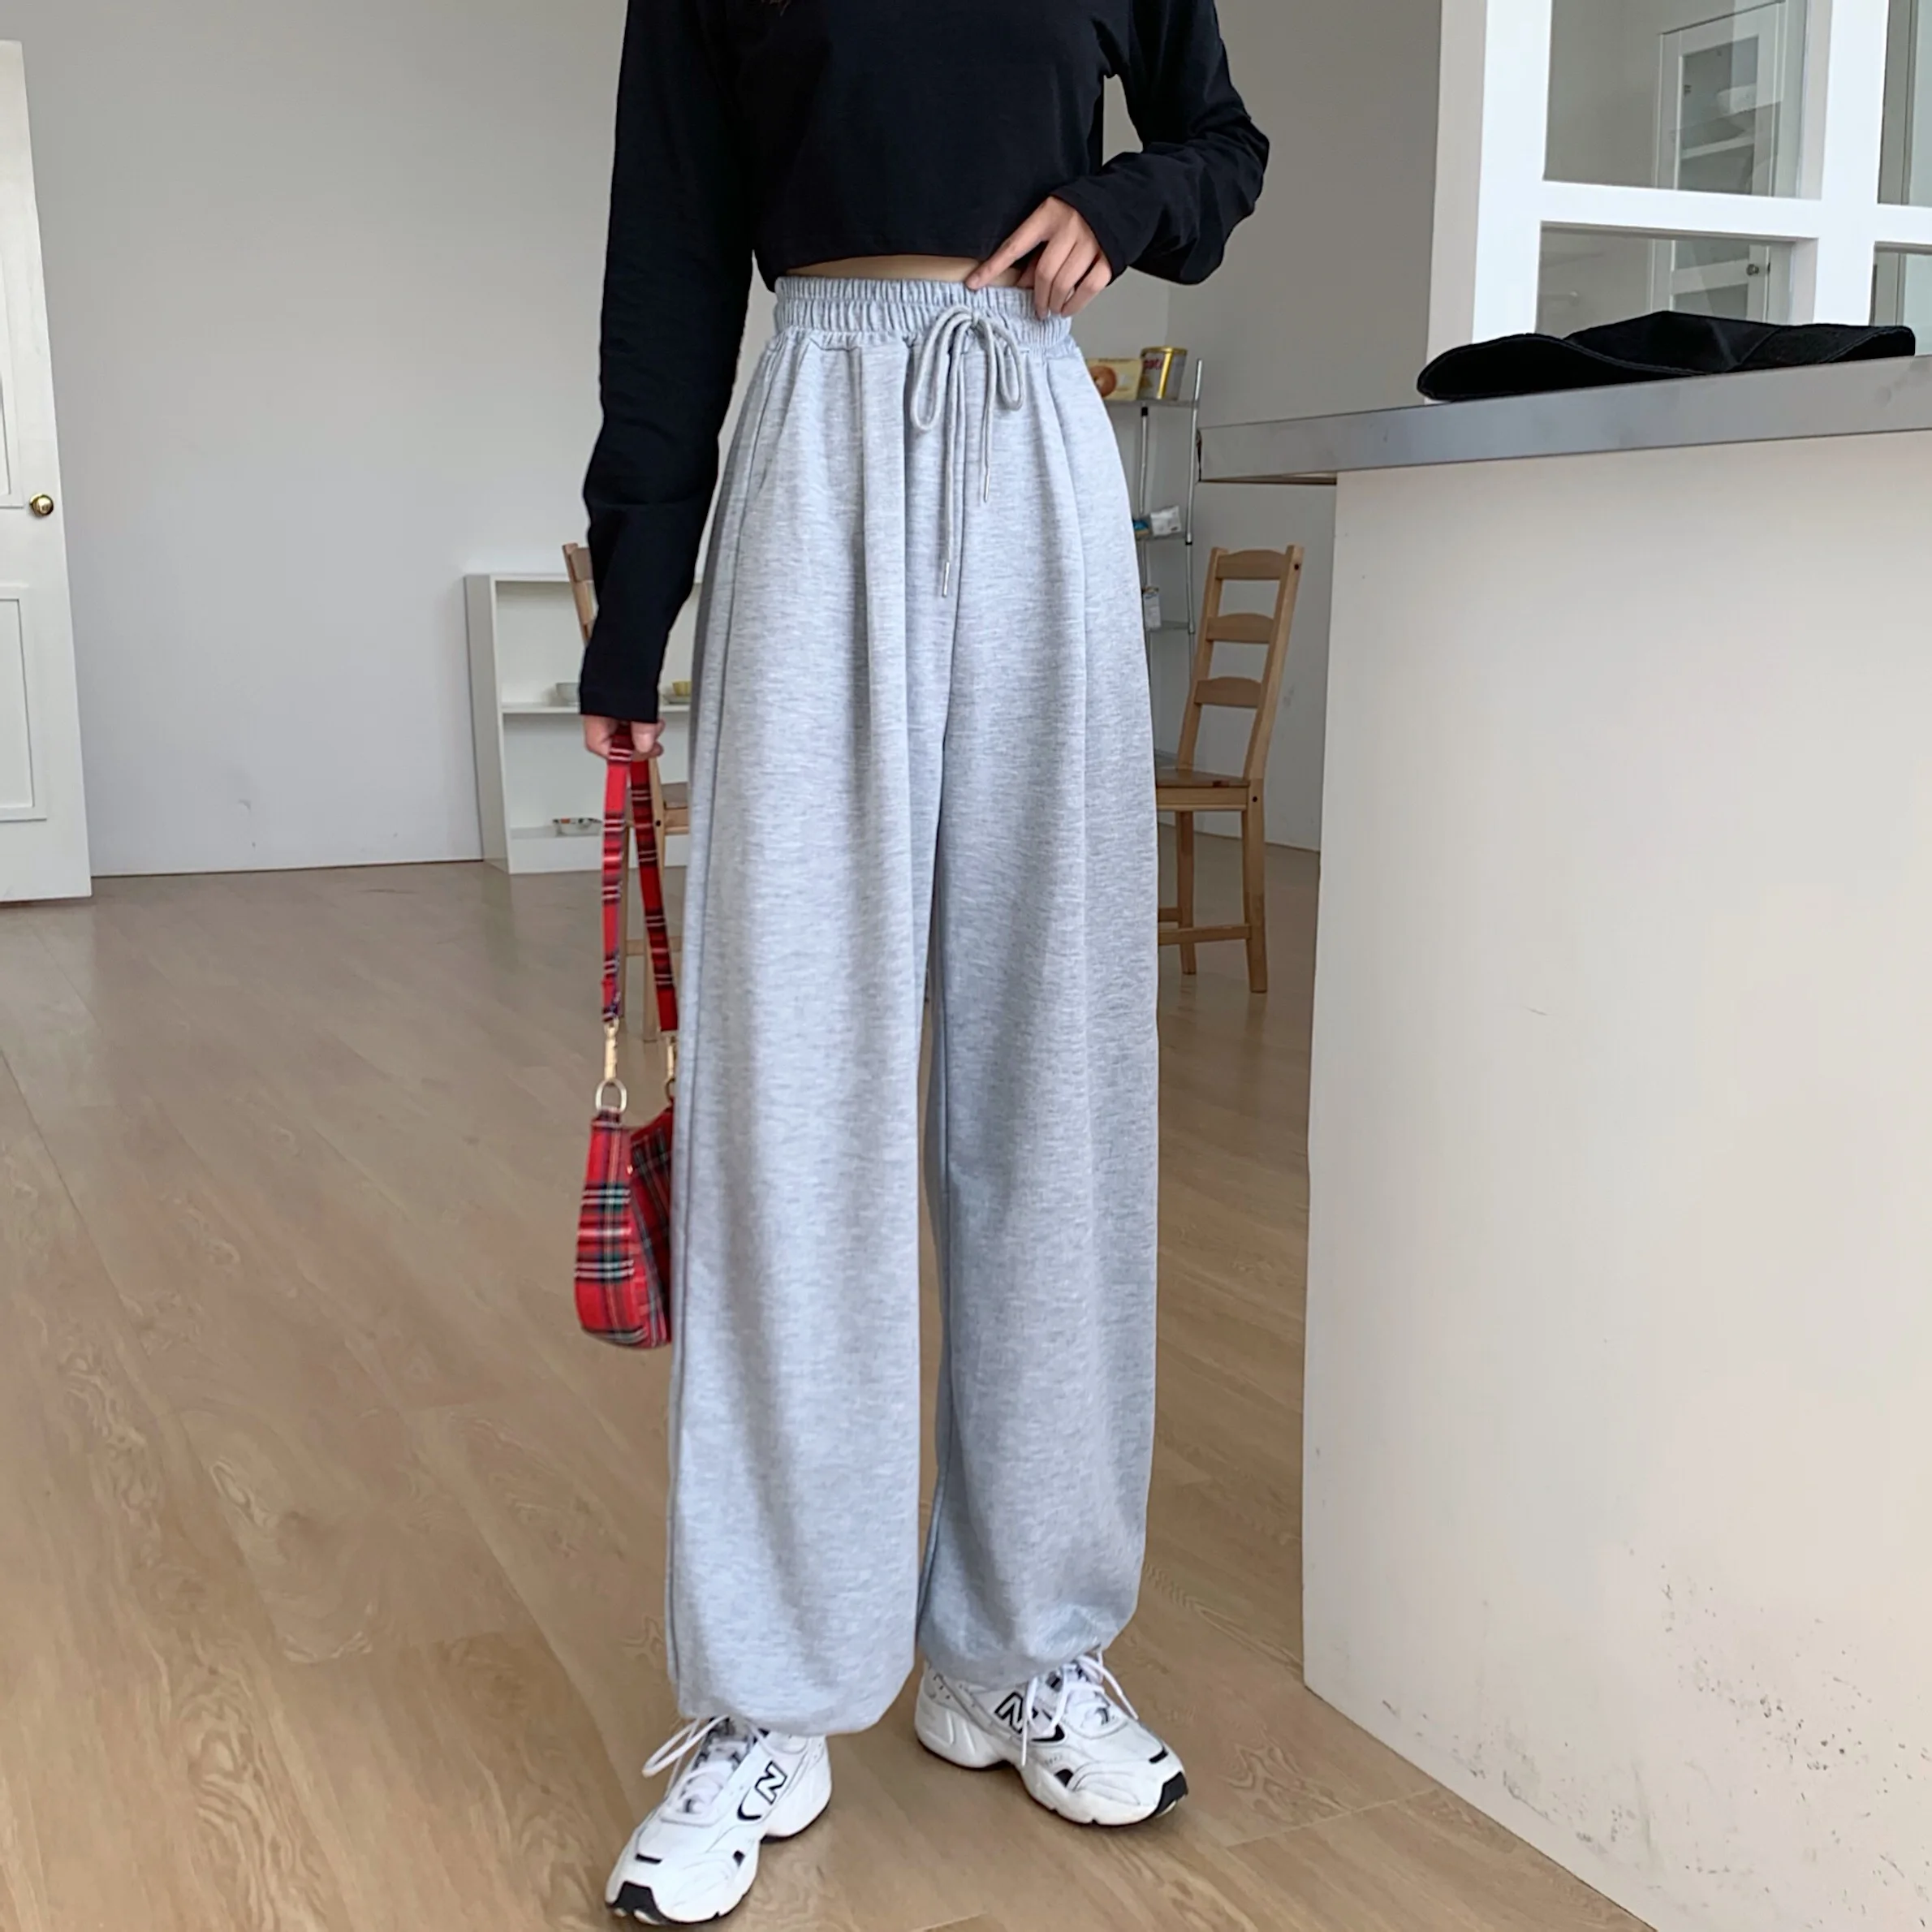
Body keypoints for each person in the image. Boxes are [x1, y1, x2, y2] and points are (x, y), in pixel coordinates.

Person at [578, 2, 1266, 1921]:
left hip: (1034, 418)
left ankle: (1017, 1645)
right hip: (811, 429)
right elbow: (665, 266)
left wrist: (1121, 204)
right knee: (794, 1090)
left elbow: (1220, 143)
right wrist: (634, 611)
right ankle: (769, 1687)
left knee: (1055, 1074)